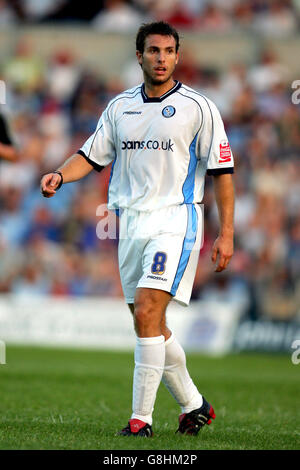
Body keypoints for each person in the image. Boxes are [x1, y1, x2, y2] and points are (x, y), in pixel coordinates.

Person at [40, 21, 235, 437]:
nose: (161, 58)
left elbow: (223, 170)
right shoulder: (119, 107)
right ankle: (194, 405)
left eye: (168, 51)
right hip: (129, 224)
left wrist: (227, 232)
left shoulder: (199, 108)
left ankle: (139, 421)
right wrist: (59, 174)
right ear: (139, 56)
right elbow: (90, 156)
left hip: (175, 220)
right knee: (148, 323)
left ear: (177, 57)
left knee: (147, 310)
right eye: (153, 51)